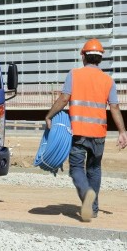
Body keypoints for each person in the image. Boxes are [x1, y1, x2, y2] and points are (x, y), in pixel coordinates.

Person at [45, 39, 127, 222]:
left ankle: (86, 193)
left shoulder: (74, 74)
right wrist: (123, 132)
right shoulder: (108, 80)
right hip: (99, 134)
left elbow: (64, 99)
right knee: (95, 169)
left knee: (76, 168)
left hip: (79, 132)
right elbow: (114, 107)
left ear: (83, 56)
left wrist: (49, 115)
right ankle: (94, 208)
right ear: (100, 59)